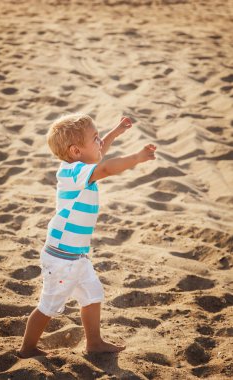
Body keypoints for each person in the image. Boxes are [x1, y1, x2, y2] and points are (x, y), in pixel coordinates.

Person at [19, 113, 156, 358]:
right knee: (48, 306)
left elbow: (97, 154)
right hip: (62, 258)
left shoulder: (80, 167)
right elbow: (103, 166)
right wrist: (136, 158)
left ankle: (94, 342)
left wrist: (115, 132)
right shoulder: (74, 174)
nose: (100, 142)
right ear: (75, 151)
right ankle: (27, 348)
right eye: (95, 138)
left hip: (77, 256)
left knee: (92, 295)